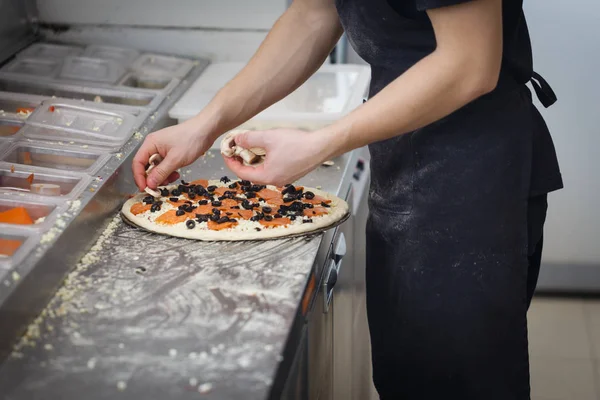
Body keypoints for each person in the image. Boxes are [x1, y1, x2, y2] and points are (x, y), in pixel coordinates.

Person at [133, 0, 563, 398]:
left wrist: (320, 144)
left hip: (473, 184)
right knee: (411, 375)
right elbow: (313, 15)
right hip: (405, 170)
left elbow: (470, 63)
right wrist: (204, 125)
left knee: (456, 383)